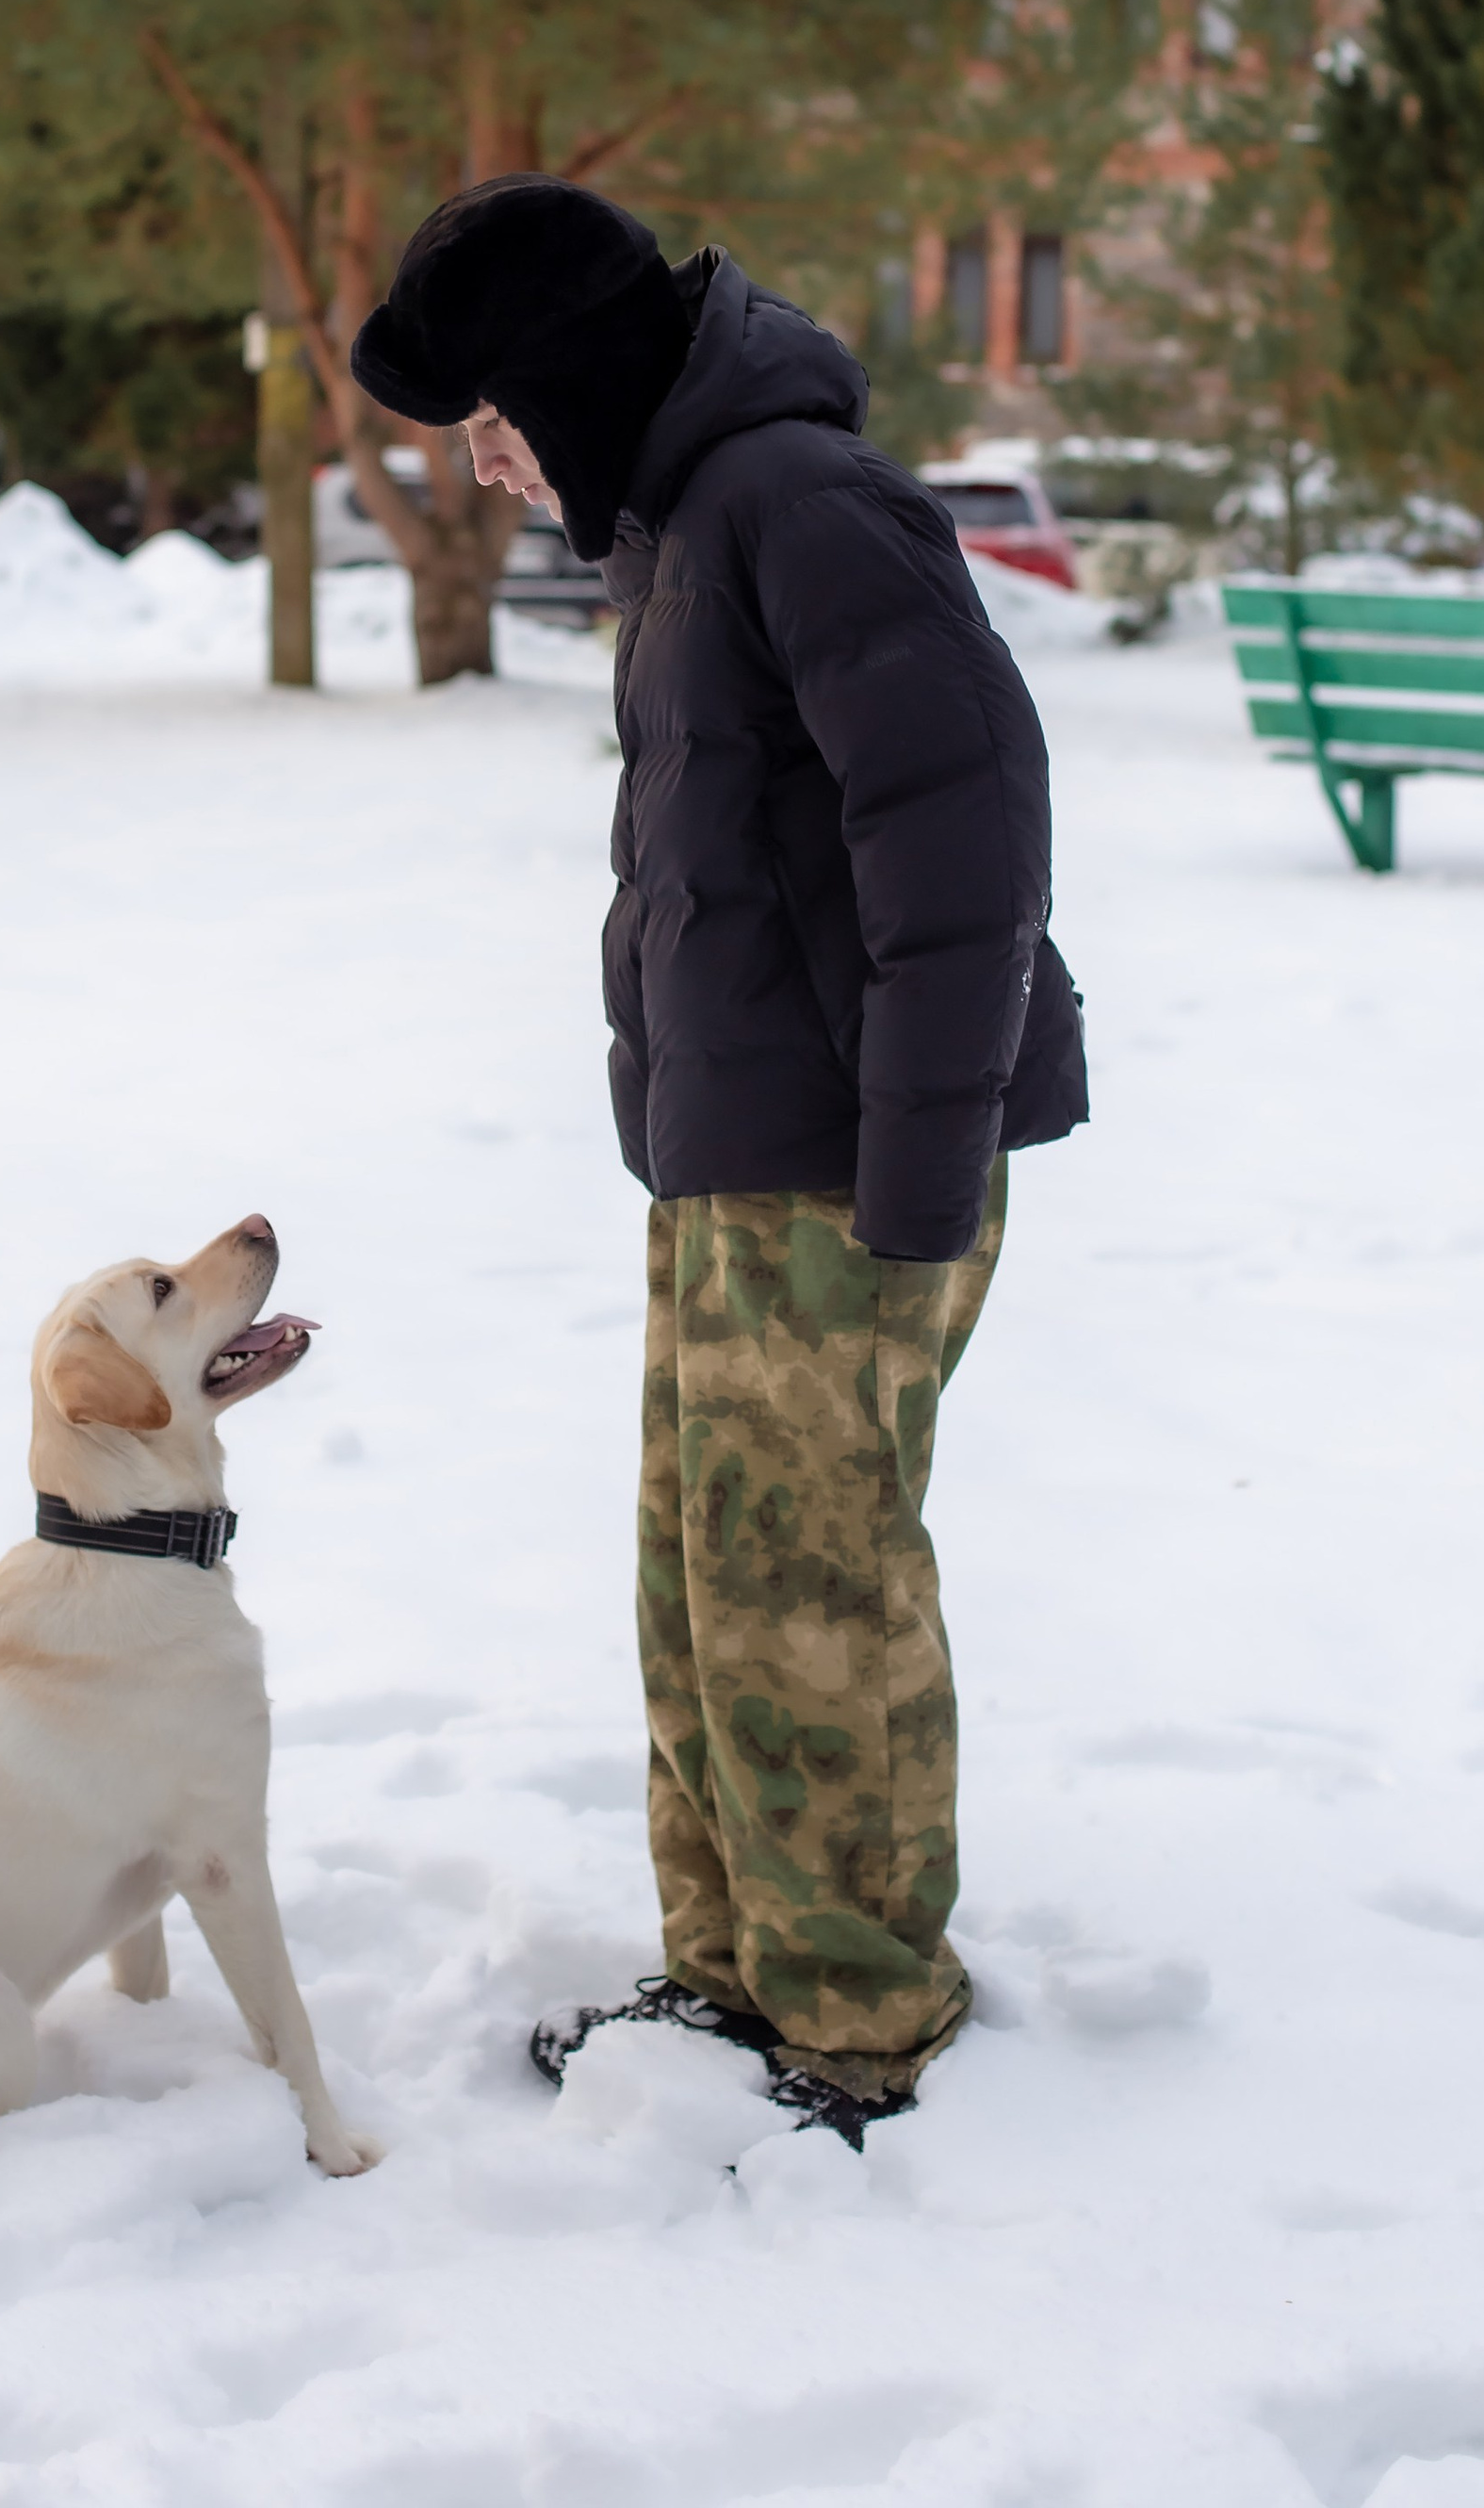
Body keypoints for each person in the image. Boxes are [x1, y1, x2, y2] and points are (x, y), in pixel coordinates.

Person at [351, 174, 1086, 2145]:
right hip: (739, 1158)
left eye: (494, 425)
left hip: (849, 1158)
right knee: (706, 1580)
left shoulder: (796, 503)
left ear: (572, 378)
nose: (492, 470)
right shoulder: (681, 528)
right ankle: (733, 1969)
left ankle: (856, 2020)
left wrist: (912, 1177)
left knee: (809, 1589)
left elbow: (960, 845)